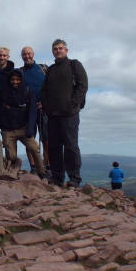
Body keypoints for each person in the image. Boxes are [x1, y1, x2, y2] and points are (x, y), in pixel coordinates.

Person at [40, 39, 88, 188]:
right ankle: (57, 178)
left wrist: (74, 103)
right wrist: (47, 108)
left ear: (66, 50)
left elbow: (83, 85)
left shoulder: (74, 65)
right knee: (54, 147)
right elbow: (44, 90)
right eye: (55, 49)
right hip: (53, 115)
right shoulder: (51, 69)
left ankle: (74, 179)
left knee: (71, 146)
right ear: (53, 52)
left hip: (70, 114)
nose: (58, 51)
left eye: (60, 48)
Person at [0, 69, 46, 179]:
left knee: (34, 148)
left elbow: (32, 111)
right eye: (13, 79)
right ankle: (11, 171)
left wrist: (30, 128)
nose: (15, 82)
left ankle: (42, 172)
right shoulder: (4, 91)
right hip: (7, 129)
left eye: (17, 80)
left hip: (23, 128)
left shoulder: (28, 90)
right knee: (12, 156)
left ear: (21, 80)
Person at [20, 46, 49, 175]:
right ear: (22, 56)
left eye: (29, 54)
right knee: (29, 137)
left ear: (33, 54)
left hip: (43, 109)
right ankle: (33, 166)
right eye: (24, 54)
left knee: (46, 139)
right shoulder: (19, 72)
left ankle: (47, 165)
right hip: (27, 111)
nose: (27, 56)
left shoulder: (44, 69)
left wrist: (46, 102)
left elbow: (51, 87)